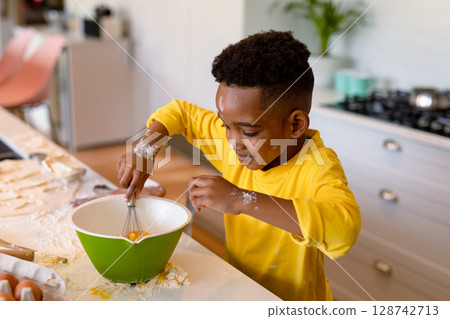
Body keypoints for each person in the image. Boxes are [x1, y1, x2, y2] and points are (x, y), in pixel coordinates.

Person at [117, 30, 360, 300]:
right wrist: (146, 146)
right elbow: (180, 112)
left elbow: (343, 229)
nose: (232, 142)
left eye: (249, 132)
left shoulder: (318, 166)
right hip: (239, 291)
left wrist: (239, 199)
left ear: (295, 125)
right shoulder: (234, 139)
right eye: (224, 125)